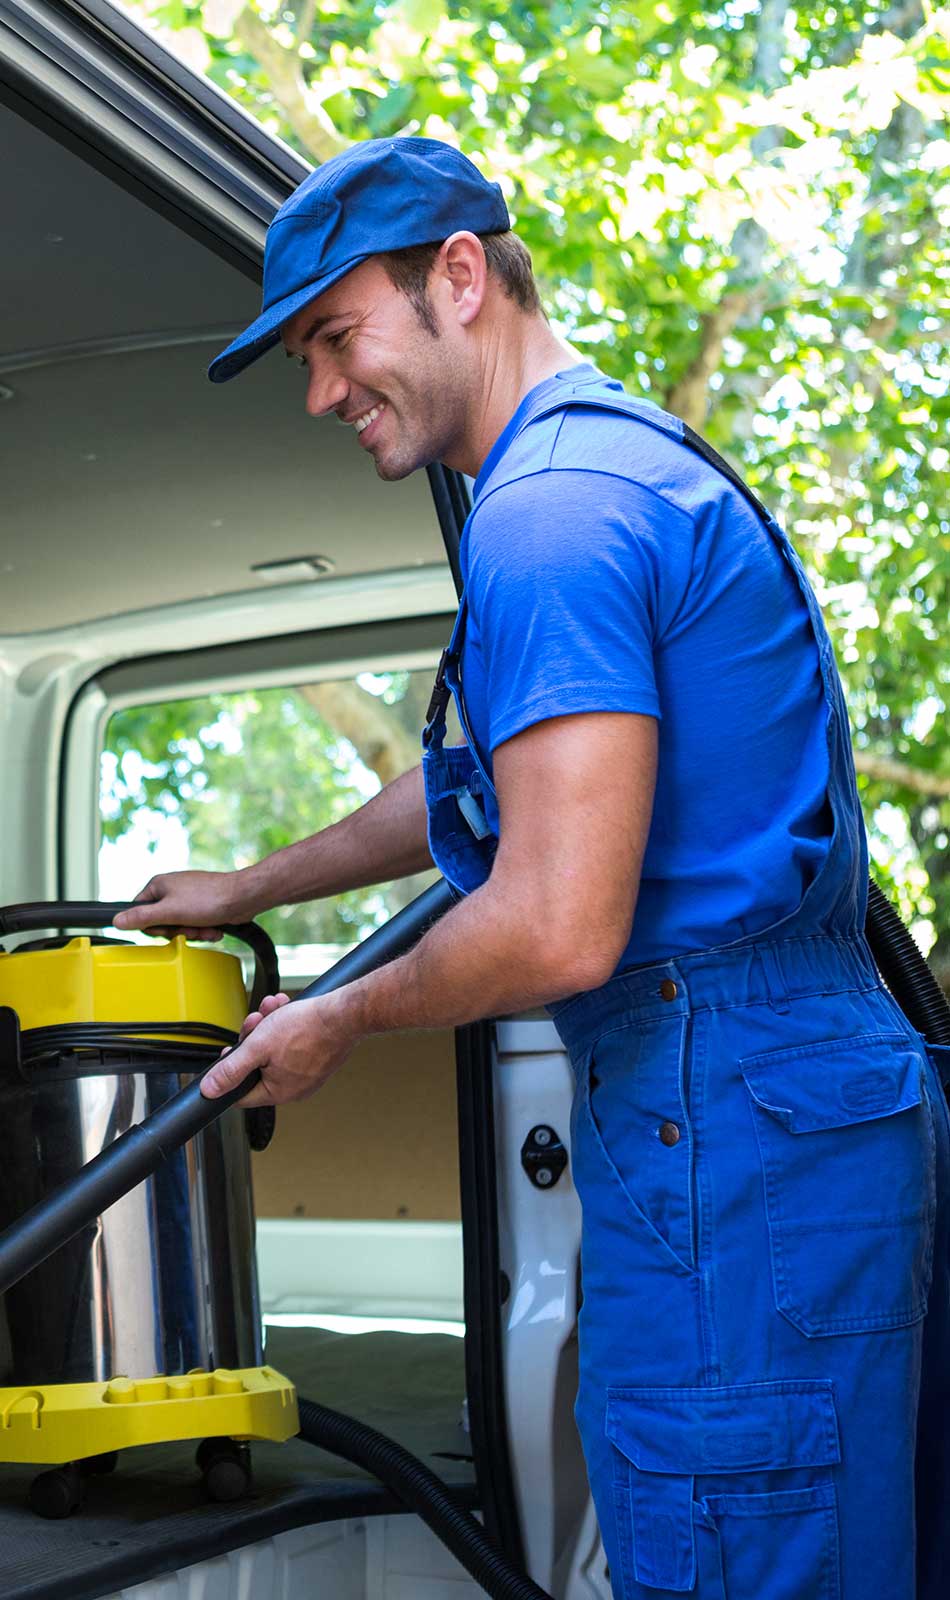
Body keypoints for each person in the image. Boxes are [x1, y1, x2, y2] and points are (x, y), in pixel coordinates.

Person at [114, 137, 949, 1598]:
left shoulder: (548, 519)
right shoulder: (618, 464)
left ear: (458, 278)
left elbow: (557, 926)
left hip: (721, 1119)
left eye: (336, 338)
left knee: (739, 1548)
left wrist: (339, 1019)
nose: (320, 393)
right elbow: (500, 786)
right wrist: (249, 889)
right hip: (791, 1103)